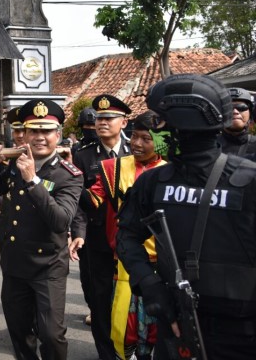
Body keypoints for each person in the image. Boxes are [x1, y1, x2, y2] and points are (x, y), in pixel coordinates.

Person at [117, 74, 256, 359]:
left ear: (179, 129)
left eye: (159, 123)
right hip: (178, 325)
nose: (153, 132)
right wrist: (151, 285)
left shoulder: (249, 182)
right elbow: (127, 236)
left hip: (241, 334)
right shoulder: (154, 182)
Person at [0, 99, 82, 360]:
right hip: (15, 262)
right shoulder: (16, 162)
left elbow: (61, 221)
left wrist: (33, 180)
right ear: (23, 134)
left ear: (57, 134)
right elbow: (0, 191)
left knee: (51, 334)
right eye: (33, 131)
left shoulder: (68, 174)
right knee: (19, 330)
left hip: (47, 265)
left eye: (46, 131)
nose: (39, 137)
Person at [87, 111, 166, 360]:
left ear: (161, 141)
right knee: (123, 330)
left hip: (163, 267)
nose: (138, 144)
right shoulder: (114, 168)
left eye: (146, 138)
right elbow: (91, 200)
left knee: (161, 333)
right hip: (124, 265)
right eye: (134, 136)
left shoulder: (174, 172)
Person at [71, 95, 131, 358]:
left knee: (130, 300)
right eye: (99, 118)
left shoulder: (138, 152)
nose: (102, 123)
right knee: (99, 299)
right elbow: (77, 201)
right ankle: (106, 353)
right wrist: (79, 234)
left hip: (133, 243)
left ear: (124, 123)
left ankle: (129, 349)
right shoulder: (82, 156)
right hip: (96, 241)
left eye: (109, 118)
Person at [217, 87, 256, 156]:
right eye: (229, 108)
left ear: (250, 113)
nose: (235, 112)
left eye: (241, 107)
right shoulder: (208, 148)